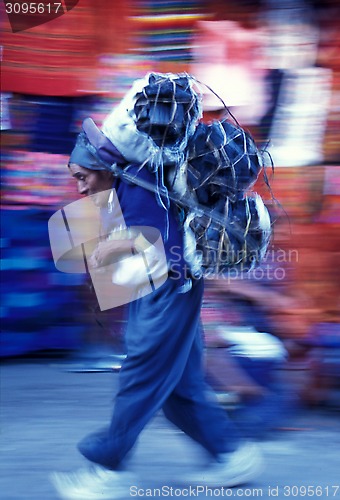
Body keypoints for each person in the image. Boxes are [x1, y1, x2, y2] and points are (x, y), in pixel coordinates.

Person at [51, 74, 264, 499]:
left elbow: (160, 252)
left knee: (141, 375)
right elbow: (130, 252)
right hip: (166, 288)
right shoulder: (127, 183)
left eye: (81, 176)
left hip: (169, 289)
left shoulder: (135, 185)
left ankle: (104, 469)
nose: (80, 186)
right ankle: (231, 456)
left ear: (97, 165)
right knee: (181, 386)